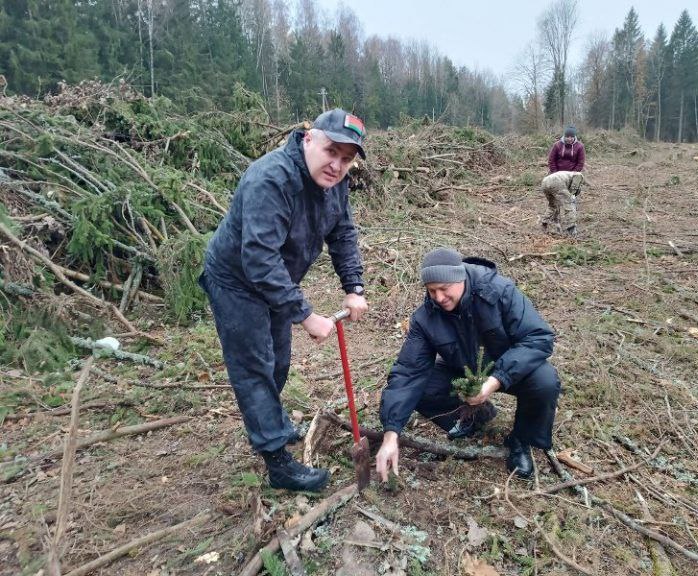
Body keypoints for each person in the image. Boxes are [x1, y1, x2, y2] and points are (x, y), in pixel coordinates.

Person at [199, 108, 369, 492]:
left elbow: (342, 232)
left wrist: (353, 287)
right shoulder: (271, 179)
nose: (337, 165)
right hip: (237, 280)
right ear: (309, 138)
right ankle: (278, 464)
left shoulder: (333, 182)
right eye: (331, 151)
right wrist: (306, 315)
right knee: (254, 367)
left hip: (276, 279)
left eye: (346, 159)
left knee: (277, 361)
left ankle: (269, 422)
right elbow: (258, 258)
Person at [375, 248, 561, 482]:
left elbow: (538, 337)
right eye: (432, 291)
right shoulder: (426, 317)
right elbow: (408, 372)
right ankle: (475, 419)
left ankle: (521, 441)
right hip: (464, 372)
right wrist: (391, 434)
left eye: (444, 289)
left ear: (460, 278)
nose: (439, 298)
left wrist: (495, 381)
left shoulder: (498, 291)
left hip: (508, 369)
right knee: (422, 386)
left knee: (545, 381)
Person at [542, 125, 586, 236]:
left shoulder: (579, 147)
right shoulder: (557, 145)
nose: (569, 138)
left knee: (562, 202)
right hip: (556, 177)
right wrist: (555, 173)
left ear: (574, 136)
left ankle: (547, 222)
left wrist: (573, 175)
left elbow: (580, 163)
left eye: (571, 136)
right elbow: (551, 160)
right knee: (566, 202)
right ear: (564, 136)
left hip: (560, 179)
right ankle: (570, 228)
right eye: (567, 136)